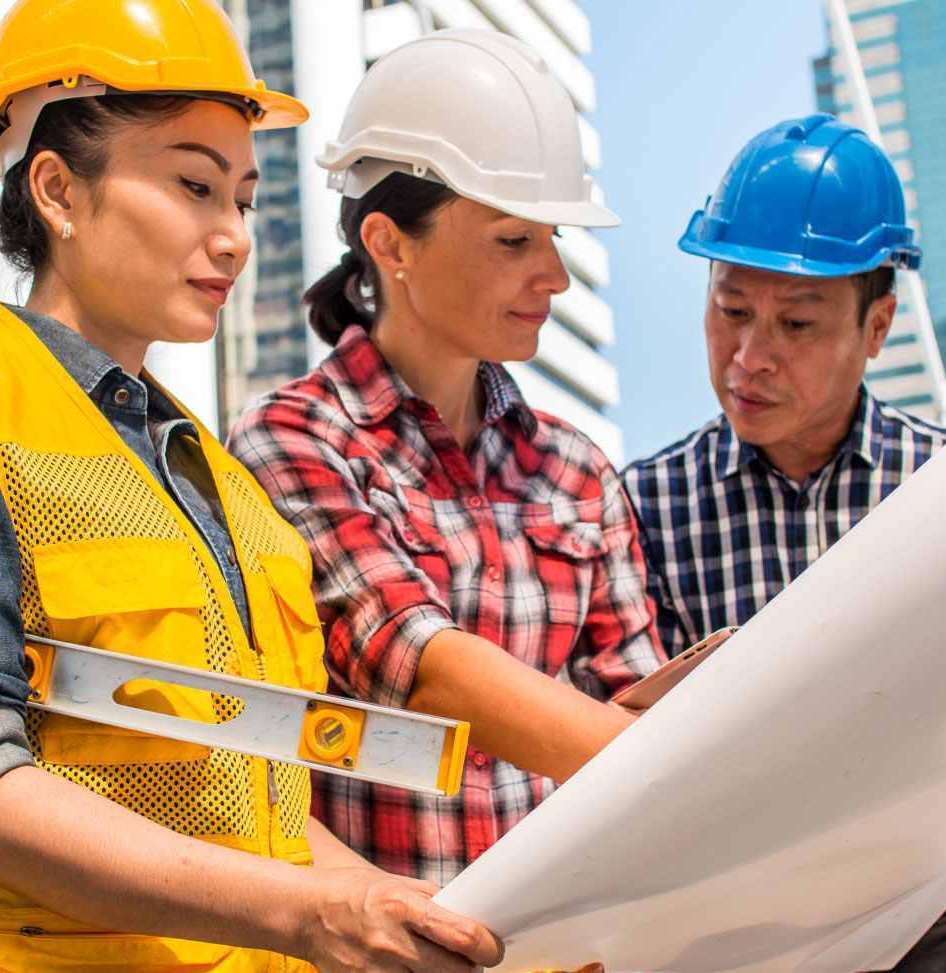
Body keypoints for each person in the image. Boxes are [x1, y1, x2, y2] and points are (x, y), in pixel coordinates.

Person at [0, 3, 501, 971]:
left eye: (243, 200)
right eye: (194, 186)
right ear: (56, 190)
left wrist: (393, 908)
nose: (234, 235)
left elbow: (256, 812)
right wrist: (309, 913)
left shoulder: (227, 493)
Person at [621, 113, 946, 973]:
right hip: (740, 936)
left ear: (877, 327)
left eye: (797, 325)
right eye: (729, 309)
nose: (749, 356)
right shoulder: (648, 503)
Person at [229, 29, 665, 885]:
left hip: (564, 939)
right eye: (513, 242)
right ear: (390, 243)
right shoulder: (291, 441)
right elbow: (418, 666)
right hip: (377, 936)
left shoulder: (576, 473)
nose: (554, 277)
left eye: (554, 240)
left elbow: (633, 691)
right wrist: (691, 771)